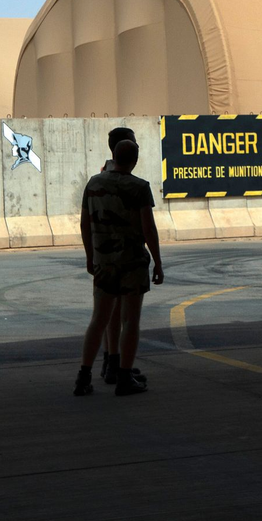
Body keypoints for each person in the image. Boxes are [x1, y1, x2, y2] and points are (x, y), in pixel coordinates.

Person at [73, 139, 164, 396]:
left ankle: (83, 376)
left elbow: (84, 224)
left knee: (98, 320)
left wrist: (91, 257)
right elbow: (149, 229)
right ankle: (125, 377)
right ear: (135, 161)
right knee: (130, 321)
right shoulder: (140, 187)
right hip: (132, 263)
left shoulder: (93, 183)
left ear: (112, 156)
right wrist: (157, 261)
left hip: (104, 262)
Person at [95, 127, 147, 387]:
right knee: (123, 316)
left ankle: (112, 361)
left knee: (109, 314)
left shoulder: (102, 175)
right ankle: (117, 363)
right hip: (125, 255)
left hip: (104, 255)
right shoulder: (123, 178)